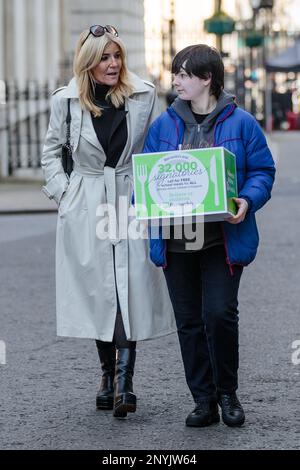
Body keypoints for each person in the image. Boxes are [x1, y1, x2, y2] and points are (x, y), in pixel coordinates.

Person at [41, 25, 175, 419]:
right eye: (104, 57)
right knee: (100, 287)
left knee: (128, 284)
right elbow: (50, 152)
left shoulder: (144, 94)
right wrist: (64, 195)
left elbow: (160, 145)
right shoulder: (65, 101)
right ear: (88, 62)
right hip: (86, 199)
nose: (113, 64)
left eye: (117, 56)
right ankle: (106, 375)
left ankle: (124, 384)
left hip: (131, 197)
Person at [143, 44, 276, 427]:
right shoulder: (163, 126)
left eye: (184, 74)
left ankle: (227, 393)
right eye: (176, 74)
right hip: (176, 242)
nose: (177, 81)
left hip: (223, 240)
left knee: (219, 314)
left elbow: (263, 172)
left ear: (207, 79)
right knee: (188, 321)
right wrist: (144, 202)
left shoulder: (242, 123)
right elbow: (146, 179)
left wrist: (247, 202)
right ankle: (203, 400)